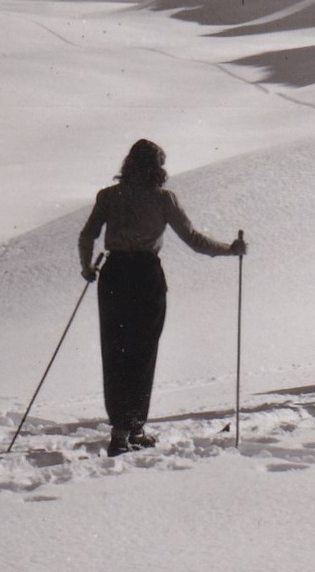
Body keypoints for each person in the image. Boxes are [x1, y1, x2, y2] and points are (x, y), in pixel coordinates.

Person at [78, 139, 245, 456]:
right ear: (158, 167)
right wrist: (230, 249)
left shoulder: (108, 196)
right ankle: (133, 428)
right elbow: (194, 240)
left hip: (113, 275)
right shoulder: (163, 199)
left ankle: (121, 429)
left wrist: (86, 266)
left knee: (114, 351)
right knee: (143, 353)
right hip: (145, 276)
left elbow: (87, 235)